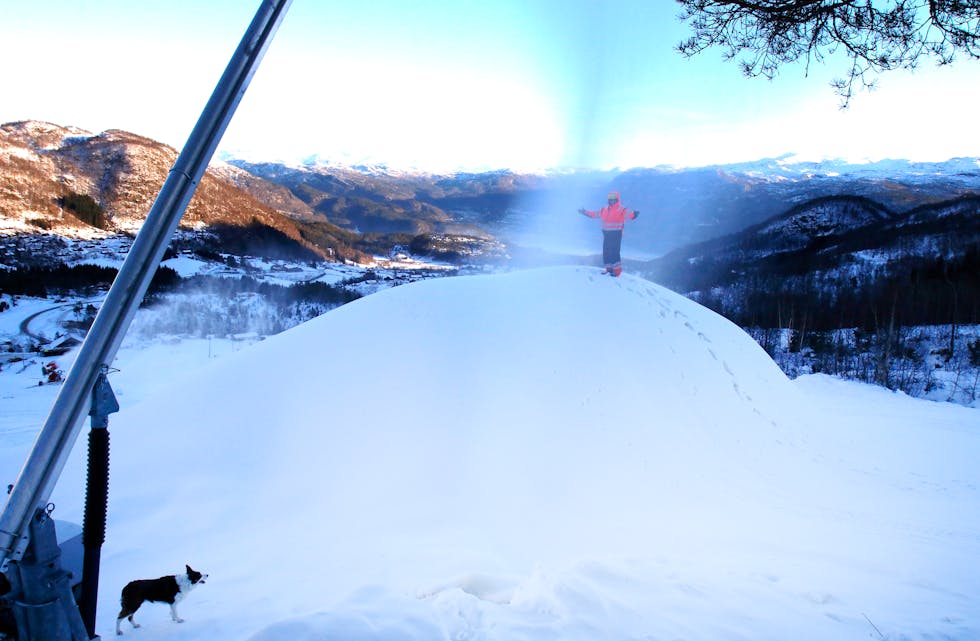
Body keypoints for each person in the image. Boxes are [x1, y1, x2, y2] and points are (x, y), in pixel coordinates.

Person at [578, 190, 639, 276]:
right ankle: (609, 269)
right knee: (606, 252)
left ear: (617, 199)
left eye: (613, 198)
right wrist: (584, 212)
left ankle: (617, 271)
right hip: (606, 234)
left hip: (616, 234)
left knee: (614, 252)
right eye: (610, 198)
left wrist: (634, 214)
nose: (611, 200)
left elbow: (629, 215)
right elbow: (594, 214)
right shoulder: (604, 209)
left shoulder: (621, 209)